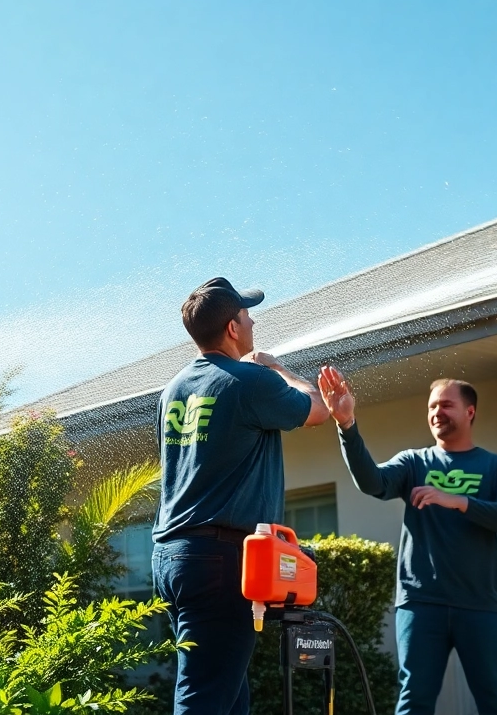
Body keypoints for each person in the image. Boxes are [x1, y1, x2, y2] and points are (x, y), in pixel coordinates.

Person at [151, 277, 329, 715]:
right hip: (221, 558)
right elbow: (318, 410)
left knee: (229, 695)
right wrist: (278, 367)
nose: (252, 321)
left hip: (172, 556)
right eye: (247, 315)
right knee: (205, 697)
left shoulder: (172, 389)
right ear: (233, 328)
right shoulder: (251, 380)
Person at [316, 366, 497, 715]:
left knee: (494, 702)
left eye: (446, 405)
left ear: (469, 412)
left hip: (479, 603)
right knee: (414, 701)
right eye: (431, 407)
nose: (436, 413)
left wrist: (456, 500)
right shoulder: (414, 462)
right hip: (420, 603)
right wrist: (347, 425)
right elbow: (373, 483)